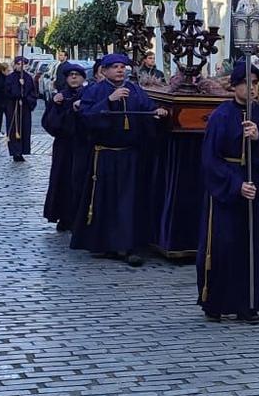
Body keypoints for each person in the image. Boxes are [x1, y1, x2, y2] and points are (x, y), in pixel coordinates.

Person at [199, 59, 259, 324]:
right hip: (228, 186)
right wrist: (236, 185)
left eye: (256, 83)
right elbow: (210, 159)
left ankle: (247, 304)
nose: (253, 88)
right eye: (247, 83)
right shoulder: (221, 116)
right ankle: (216, 302)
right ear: (235, 86)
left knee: (253, 245)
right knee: (224, 245)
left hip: (255, 181)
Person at [72, 52, 166, 266]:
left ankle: (127, 246)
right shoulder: (95, 91)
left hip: (129, 155)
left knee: (128, 201)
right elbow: (85, 117)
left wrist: (157, 113)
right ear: (104, 71)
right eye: (114, 67)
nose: (120, 70)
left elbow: (147, 108)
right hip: (104, 155)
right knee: (105, 200)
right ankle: (104, 243)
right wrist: (109, 101)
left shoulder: (134, 90)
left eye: (122, 67)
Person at [40, 60, 92, 230]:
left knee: (79, 181)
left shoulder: (88, 95)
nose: (74, 78)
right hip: (64, 146)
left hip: (82, 145)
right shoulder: (59, 97)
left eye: (77, 75)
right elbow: (49, 122)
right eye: (71, 75)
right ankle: (63, 216)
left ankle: (79, 216)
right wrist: (56, 106)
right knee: (62, 180)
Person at [1, 59, 40, 162]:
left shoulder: (28, 78)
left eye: (23, 64)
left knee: (24, 129)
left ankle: (22, 151)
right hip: (13, 107)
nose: (20, 66)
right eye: (18, 64)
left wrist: (25, 95)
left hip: (25, 108)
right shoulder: (10, 78)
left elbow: (32, 92)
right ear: (15, 65)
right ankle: (15, 152)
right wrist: (18, 88)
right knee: (14, 129)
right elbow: (7, 92)